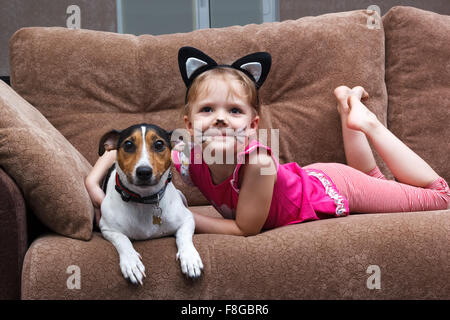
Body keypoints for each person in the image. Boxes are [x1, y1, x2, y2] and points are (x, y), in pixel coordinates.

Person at [85, 47, 450, 236]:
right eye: (208, 110)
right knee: (381, 184)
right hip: (315, 176)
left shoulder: (257, 163)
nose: (221, 118)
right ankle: (347, 108)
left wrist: (176, 218)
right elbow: (121, 150)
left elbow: (245, 228)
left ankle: (366, 123)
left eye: (235, 111)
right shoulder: (183, 154)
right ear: (188, 124)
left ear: (253, 125)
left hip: (336, 187)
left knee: (440, 197)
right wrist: (93, 182)